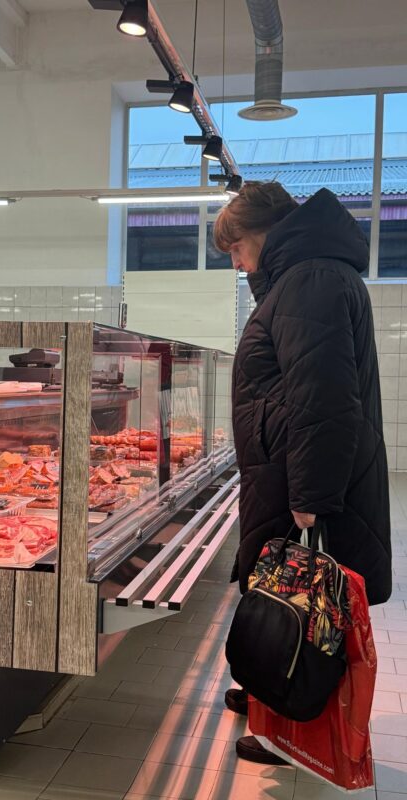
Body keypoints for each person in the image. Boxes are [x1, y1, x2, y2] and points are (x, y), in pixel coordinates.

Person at [213, 181, 392, 765]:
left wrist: (311, 495)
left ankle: (291, 729)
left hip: (303, 478)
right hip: (289, 467)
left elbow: (325, 398)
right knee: (286, 594)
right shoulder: (306, 276)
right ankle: (272, 691)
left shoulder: (310, 280)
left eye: (236, 249)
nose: (237, 264)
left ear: (264, 234)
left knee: (308, 605)